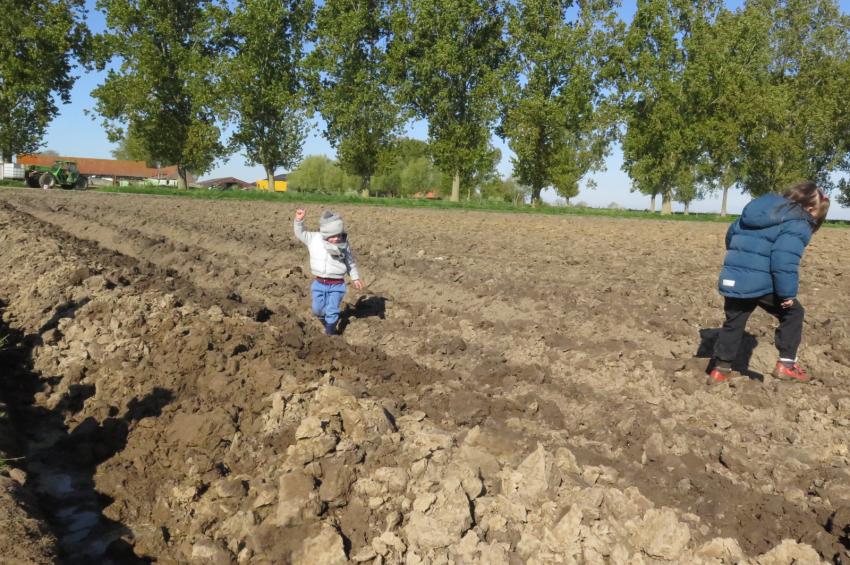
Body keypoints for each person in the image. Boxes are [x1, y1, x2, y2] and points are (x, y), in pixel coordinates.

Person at [708, 181, 830, 384]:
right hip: (760, 281)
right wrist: (787, 294)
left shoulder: (753, 212)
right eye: (816, 214)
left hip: (734, 277)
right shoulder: (798, 222)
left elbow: (730, 238)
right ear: (809, 208)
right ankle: (786, 365)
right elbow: (784, 260)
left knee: (733, 322)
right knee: (793, 313)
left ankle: (720, 370)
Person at [294, 208, 364, 335]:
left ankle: (330, 333)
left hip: (337, 284)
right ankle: (328, 325)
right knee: (317, 310)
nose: (337, 239)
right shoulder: (314, 239)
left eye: (339, 235)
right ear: (325, 234)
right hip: (319, 283)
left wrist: (355, 277)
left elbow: (350, 262)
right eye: (334, 236)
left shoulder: (343, 244)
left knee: (332, 309)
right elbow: (300, 233)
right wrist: (299, 221)